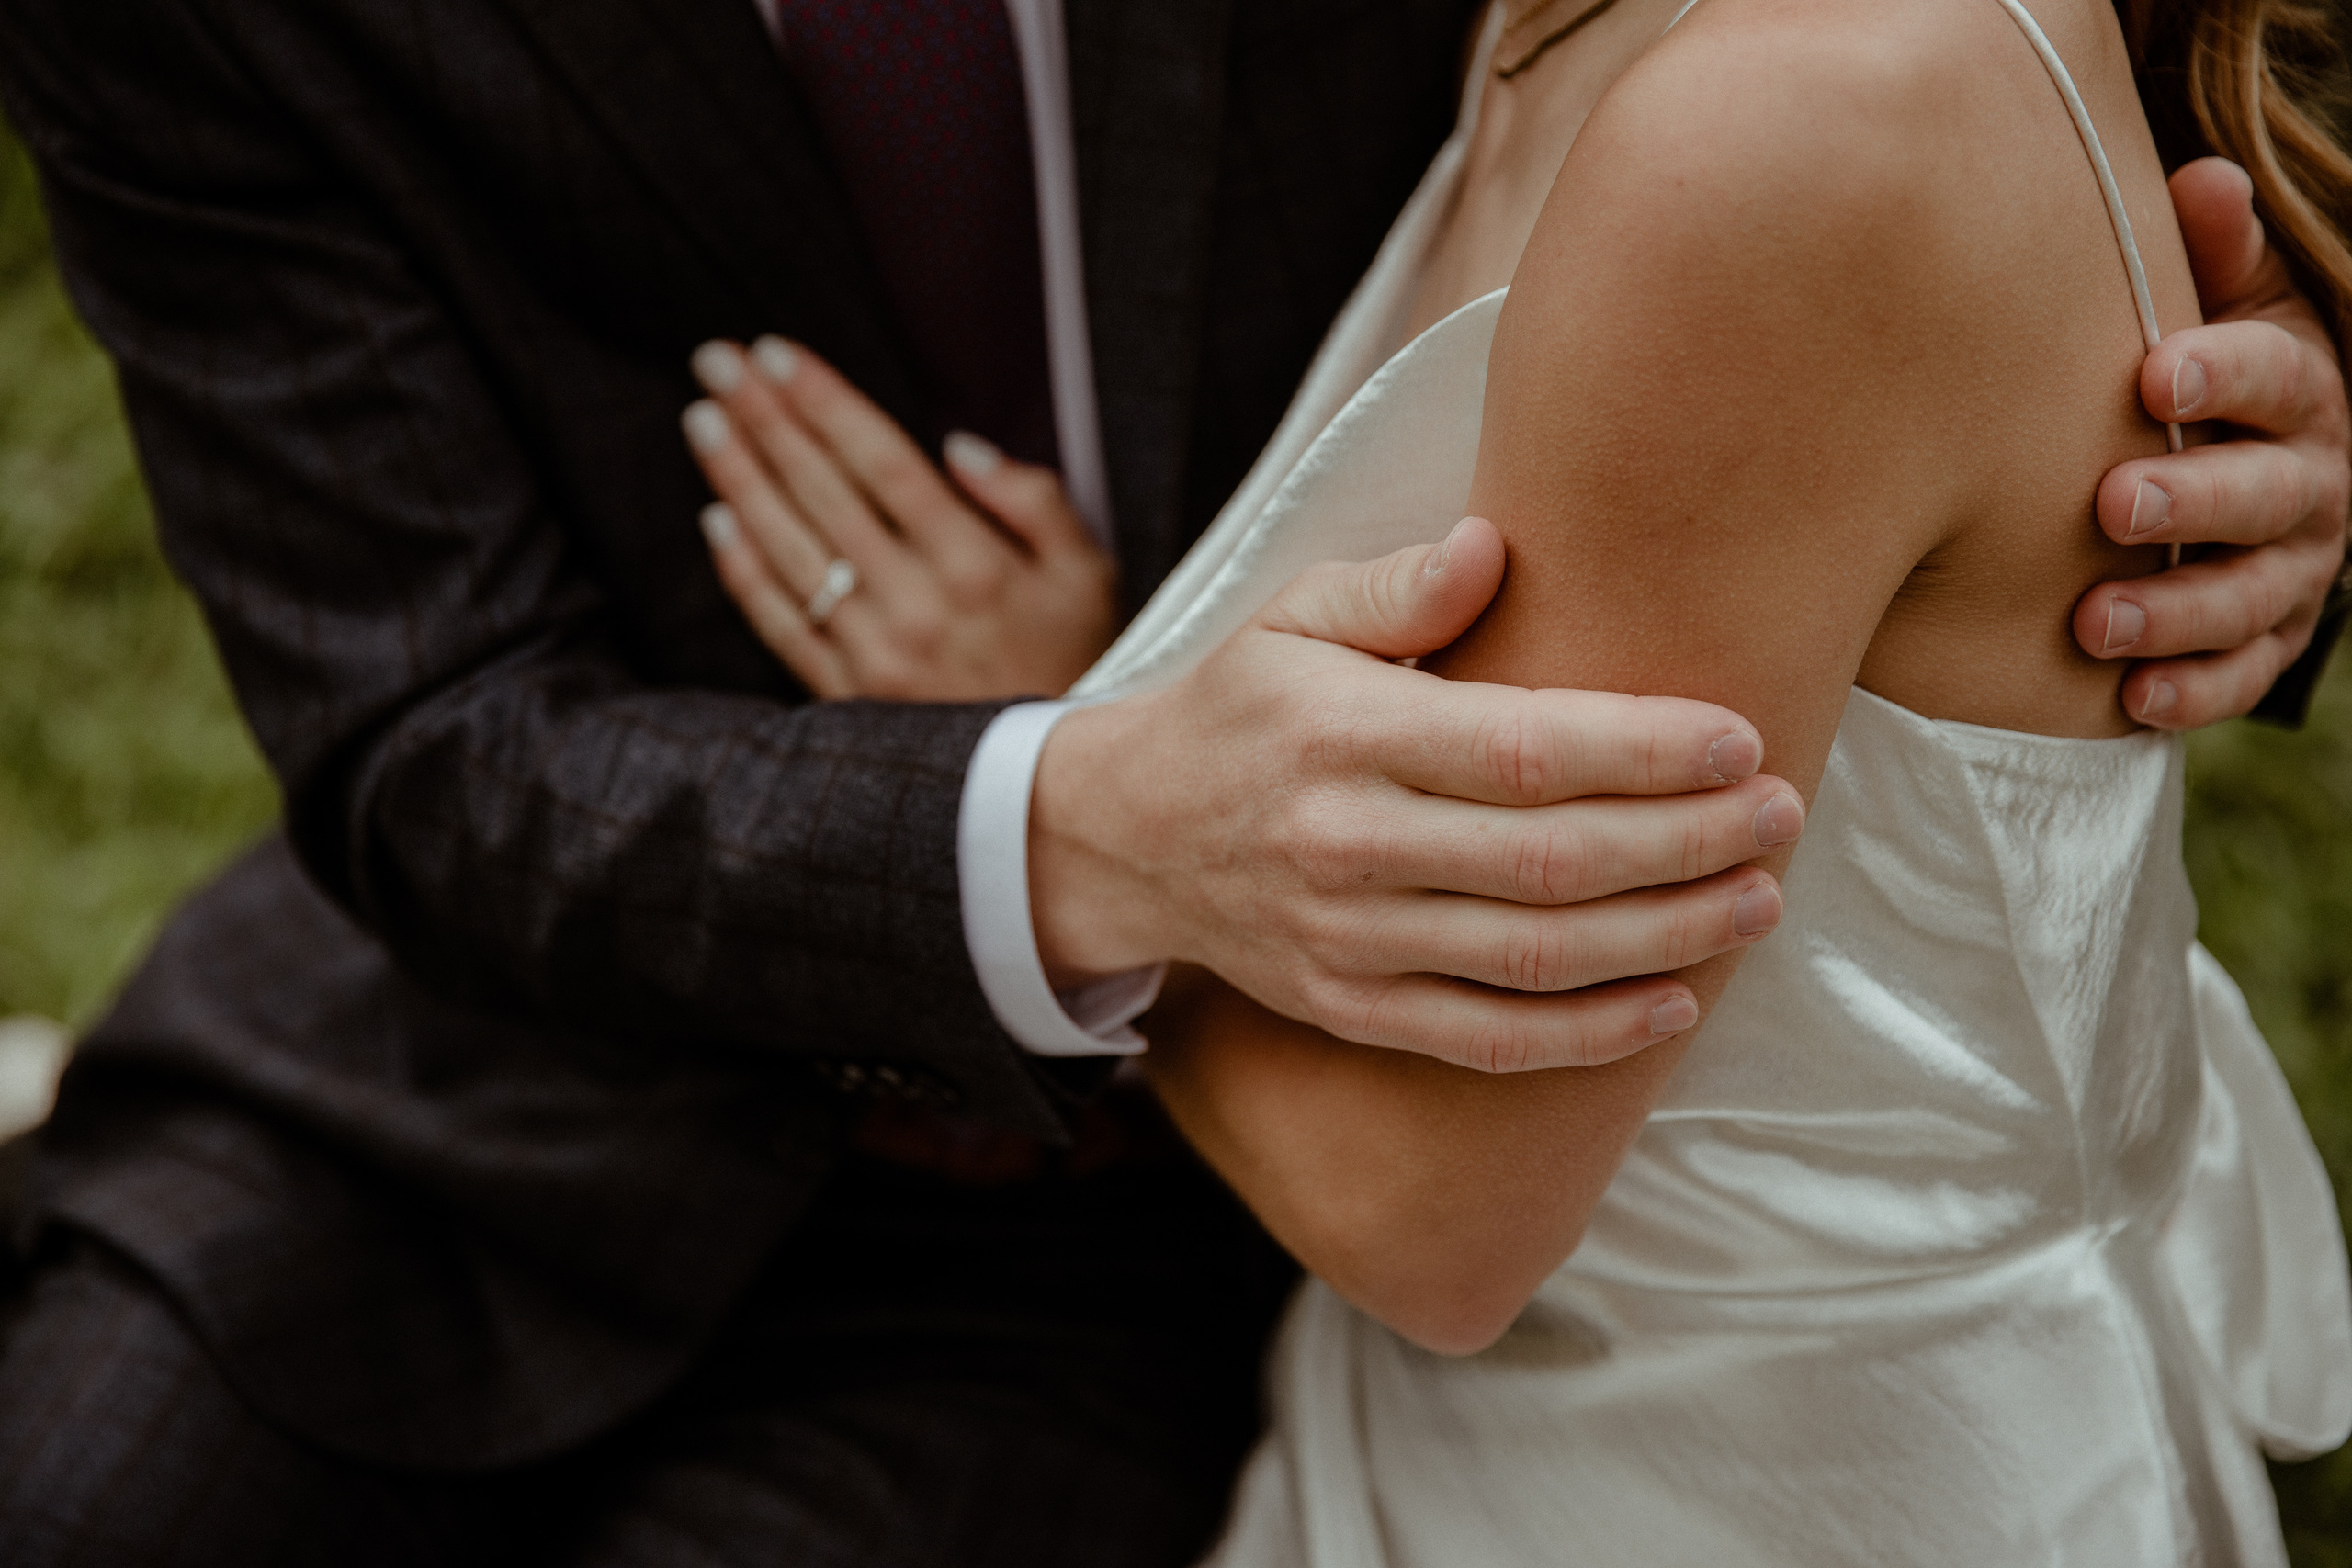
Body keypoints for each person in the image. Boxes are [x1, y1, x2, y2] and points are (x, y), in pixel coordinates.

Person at [0, 3, 2340, 1566]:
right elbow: (429, 731)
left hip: (1228, 1238)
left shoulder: (1765, 119)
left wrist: (2223, 435)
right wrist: (1072, 808)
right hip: (509, 1064)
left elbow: (1956, 215)